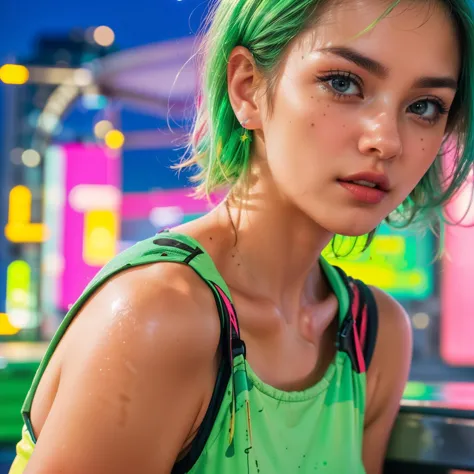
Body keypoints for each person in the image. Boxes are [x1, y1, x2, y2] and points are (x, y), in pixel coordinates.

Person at [9, 0, 473, 472]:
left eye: (424, 106)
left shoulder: (373, 335)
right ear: (248, 88)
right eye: (342, 83)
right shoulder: (158, 316)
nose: (387, 140)